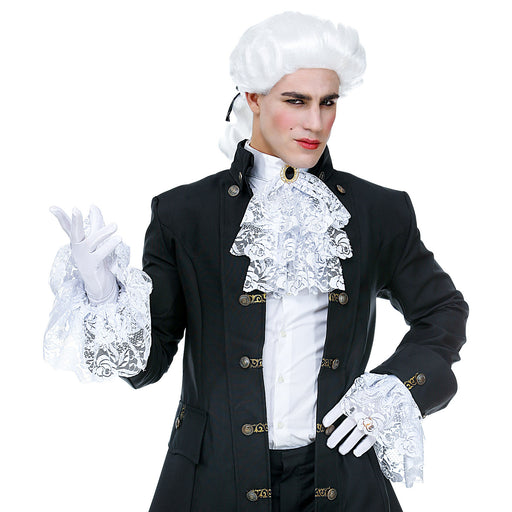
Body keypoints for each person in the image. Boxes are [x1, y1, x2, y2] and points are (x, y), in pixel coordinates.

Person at [45, 11, 469, 512]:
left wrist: (398, 385)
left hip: (342, 481)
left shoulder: (378, 211)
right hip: (212, 480)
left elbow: (442, 311)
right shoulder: (184, 214)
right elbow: (149, 363)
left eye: (328, 102)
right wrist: (104, 299)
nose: (315, 122)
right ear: (253, 98)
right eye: (296, 101)